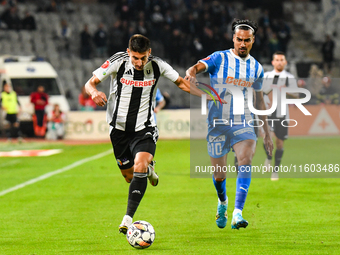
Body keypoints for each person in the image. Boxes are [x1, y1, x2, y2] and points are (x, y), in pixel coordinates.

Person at [84, 34, 205, 235]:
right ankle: (148, 171)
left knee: (140, 164)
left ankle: (127, 218)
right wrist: (94, 92)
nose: (139, 63)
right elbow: (90, 83)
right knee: (129, 176)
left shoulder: (158, 65)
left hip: (144, 127)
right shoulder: (117, 61)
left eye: (143, 58)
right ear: (128, 52)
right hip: (118, 129)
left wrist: (208, 97)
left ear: (149, 53)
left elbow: (182, 83)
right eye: (135, 58)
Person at [185, 19, 273, 230]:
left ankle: (237, 212)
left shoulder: (256, 68)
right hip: (218, 124)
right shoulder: (220, 58)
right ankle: (223, 202)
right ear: (233, 38)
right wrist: (191, 72)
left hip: (243, 121)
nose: (242, 44)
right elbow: (198, 66)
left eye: (247, 40)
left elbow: (259, 100)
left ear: (253, 41)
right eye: (239, 40)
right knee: (220, 175)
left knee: (245, 159)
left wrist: (266, 133)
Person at [262, 51, 298, 181]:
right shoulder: (266, 76)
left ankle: (275, 171)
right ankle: (268, 157)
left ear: (285, 62)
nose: (279, 62)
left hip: (282, 114)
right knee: (267, 137)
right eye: (277, 59)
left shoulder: (289, 78)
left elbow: (297, 95)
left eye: (281, 60)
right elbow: (259, 92)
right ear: (273, 62)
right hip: (268, 113)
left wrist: (286, 90)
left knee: (279, 143)